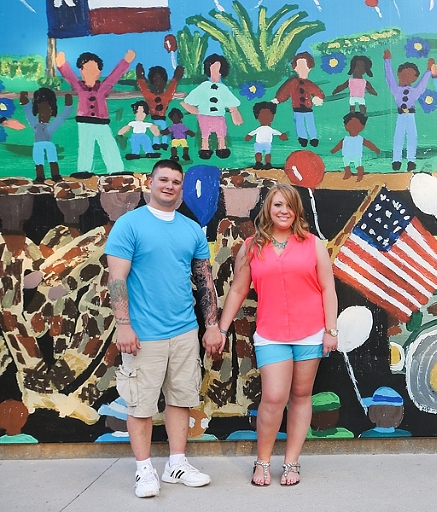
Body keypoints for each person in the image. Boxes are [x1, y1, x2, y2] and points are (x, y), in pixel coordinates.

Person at [105, 159, 223, 498]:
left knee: (180, 399)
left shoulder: (189, 229)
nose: (169, 186)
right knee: (141, 405)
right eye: (163, 180)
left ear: (181, 188)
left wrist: (211, 325)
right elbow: (117, 279)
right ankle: (144, 470)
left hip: (185, 330)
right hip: (143, 334)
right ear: (150, 184)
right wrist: (124, 326)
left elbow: (204, 281)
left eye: (175, 181)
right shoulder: (129, 225)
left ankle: (176, 463)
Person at [218, 183, 338, 487]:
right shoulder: (252, 246)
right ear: (268, 210)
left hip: (310, 333)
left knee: (300, 396)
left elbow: (328, 289)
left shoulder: (313, 244)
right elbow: (238, 289)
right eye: (277, 205)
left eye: (289, 206)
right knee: (273, 398)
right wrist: (221, 327)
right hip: (271, 333)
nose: (284, 211)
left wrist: (331, 330)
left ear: (297, 210)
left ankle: (292, 463)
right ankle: (263, 461)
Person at [56, 50, 134, 174]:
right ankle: (84, 170)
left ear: (99, 72)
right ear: (81, 71)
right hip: (84, 121)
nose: (90, 73)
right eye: (86, 69)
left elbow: (114, 76)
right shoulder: (79, 87)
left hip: (102, 122)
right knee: (85, 147)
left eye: (94, 69)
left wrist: (126, 62)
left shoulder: (103, 88)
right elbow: (70, 76)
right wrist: (61, 65)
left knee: (108, 144)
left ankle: (116, 169)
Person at [181, 53, 243, 160]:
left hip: (219, 116)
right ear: (208, 70)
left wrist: (235, 113)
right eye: (213, 69)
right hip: (204, 116)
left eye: (218, 70)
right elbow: (188, 101)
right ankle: (205, 149)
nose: (215, 73)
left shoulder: (223, 89)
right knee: (205, 133)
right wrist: (195, 111)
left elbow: (231, 102)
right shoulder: (203, 87)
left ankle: (222, 148)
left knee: (221, 132)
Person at [19, 88, 73, 183]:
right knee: (38, 160)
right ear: (38, 111)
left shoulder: (51, 125)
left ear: (51, 112)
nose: (44, 114)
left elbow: (63, 115)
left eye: (47, 111)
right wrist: (24, 100)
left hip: (46, 143)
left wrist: (68, 105)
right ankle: (40, 177)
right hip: (38, 144)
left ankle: (55, 176)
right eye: (41, 111)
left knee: (52, 159)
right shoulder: (35, 123)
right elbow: (28, 112)